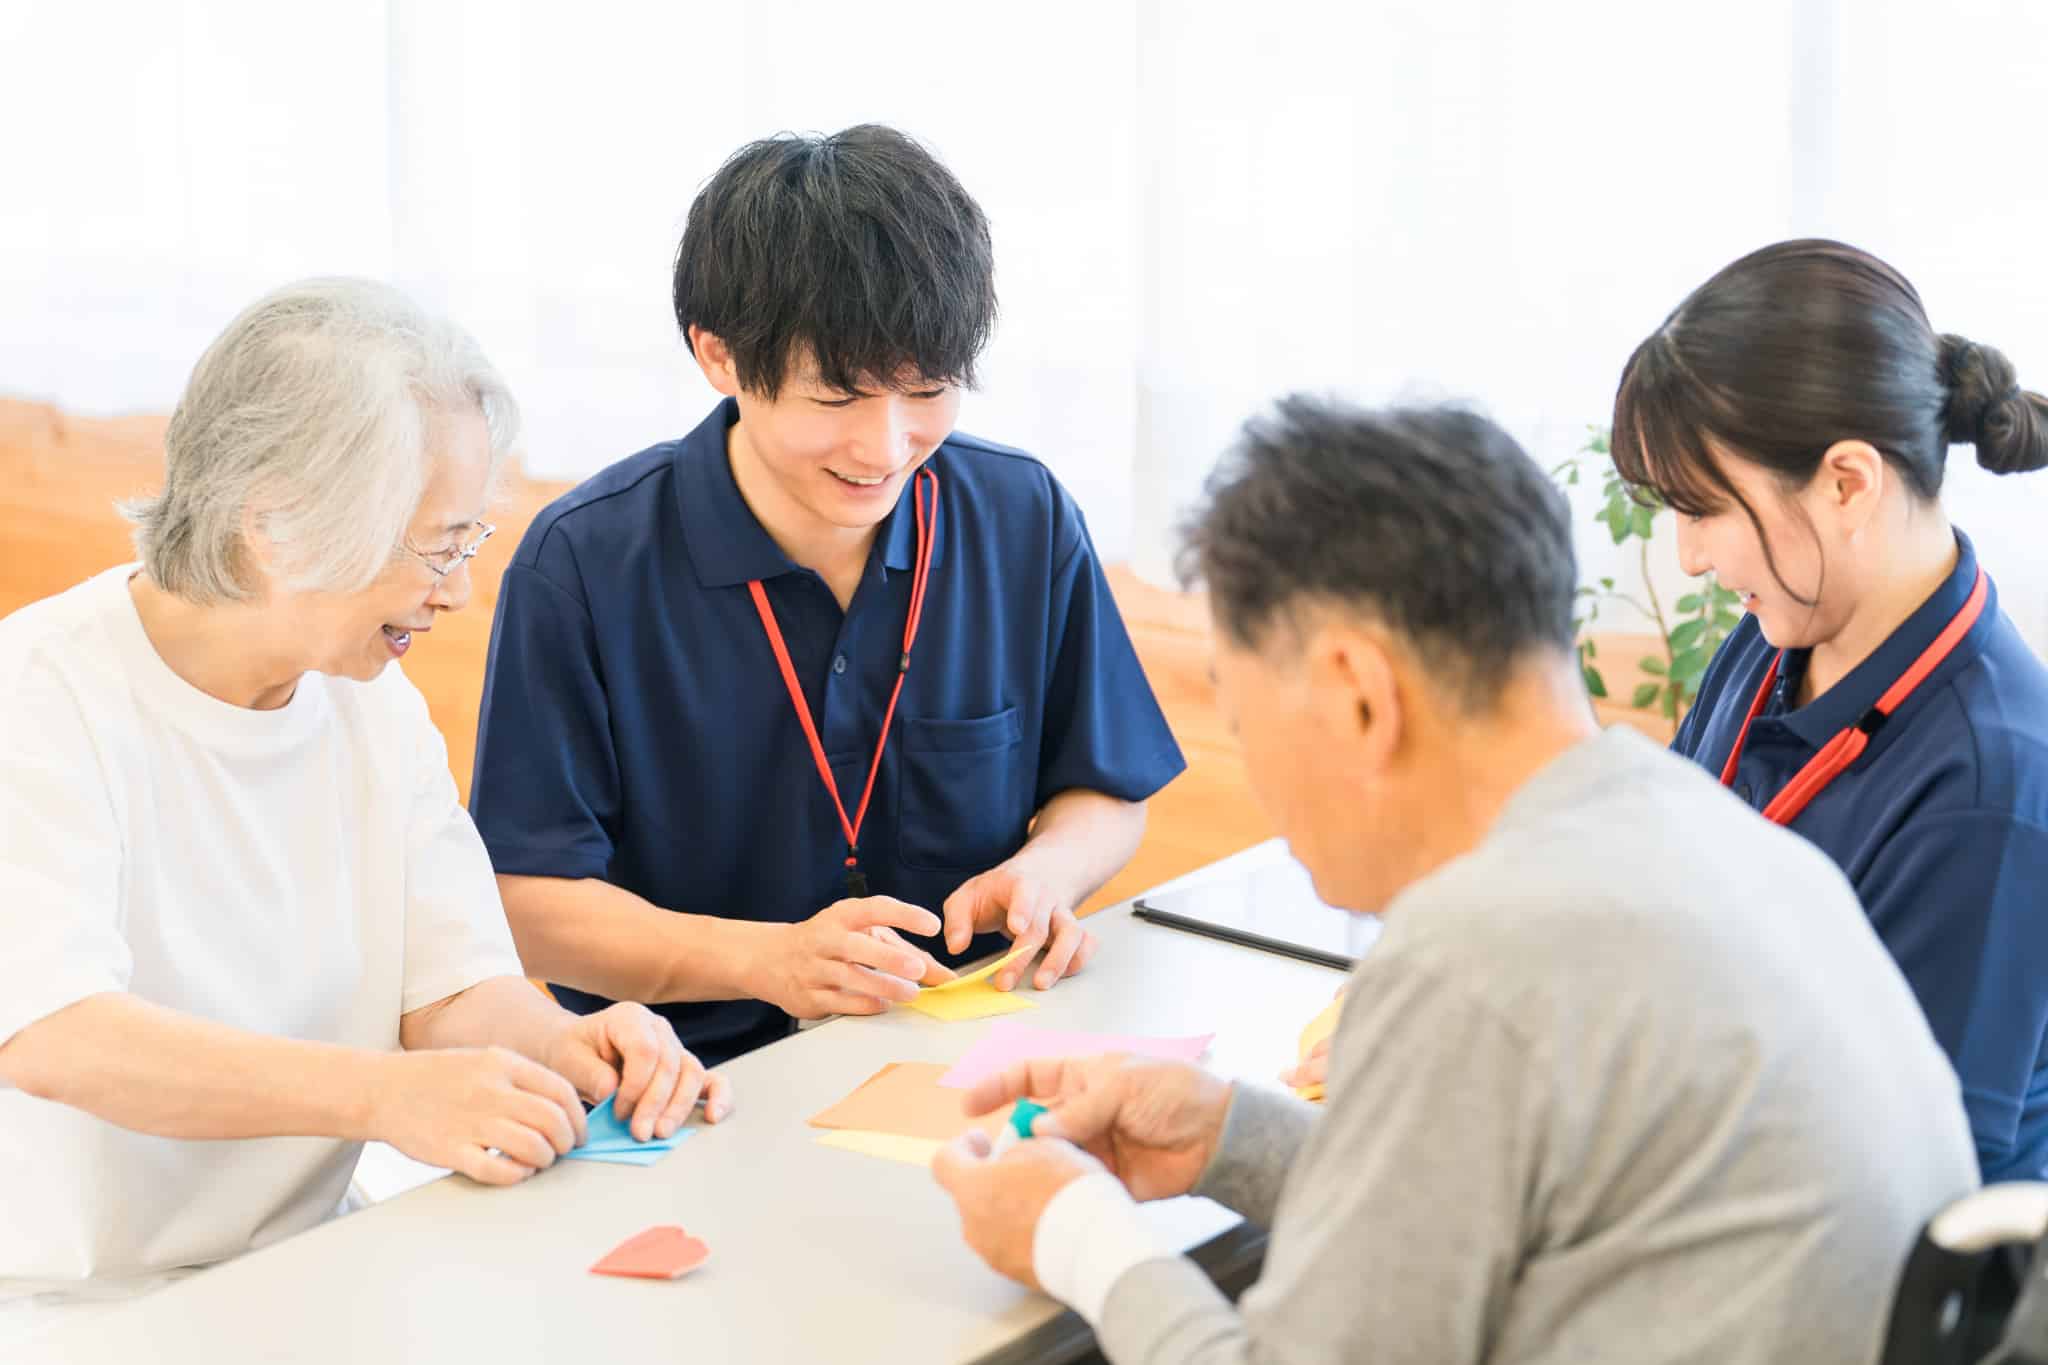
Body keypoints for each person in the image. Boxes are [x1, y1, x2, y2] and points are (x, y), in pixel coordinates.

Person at [931, 397, 1977, 1363]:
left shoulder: (1478, 957)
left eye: (1246, 725)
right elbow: (1556, 1203)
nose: (1257, 777)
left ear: (1354, 692)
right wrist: (1230, 1136)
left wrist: (1074, 1236)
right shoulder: (1706, 833)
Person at [0, 279, 728, 1332]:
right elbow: (57, 1036)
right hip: (64, 1306)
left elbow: (446, 989)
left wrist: (568, 1048)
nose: (456, 592)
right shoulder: (40, 697)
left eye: (468, 544)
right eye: (435, 547)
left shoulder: (367, 703)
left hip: (309, 1264)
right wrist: (384, 1097)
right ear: (277, 522)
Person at [471, 125, 1183, 1066]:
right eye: (838, 398)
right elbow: (528, 904)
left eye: (926, 389)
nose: (886, 448)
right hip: (693, 1079)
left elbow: (1103, 786)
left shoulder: (1021, 515)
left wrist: (1046, 874)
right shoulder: (584, 565)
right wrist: (765, 959)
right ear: (719, 357)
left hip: (963, 1052)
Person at [1611, 239, 2048, 1181]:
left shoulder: (1990, 781)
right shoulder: (1784, 626)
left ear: (1848, 482)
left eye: (1703, 511)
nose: (1688, 556)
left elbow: (1910, 1176)